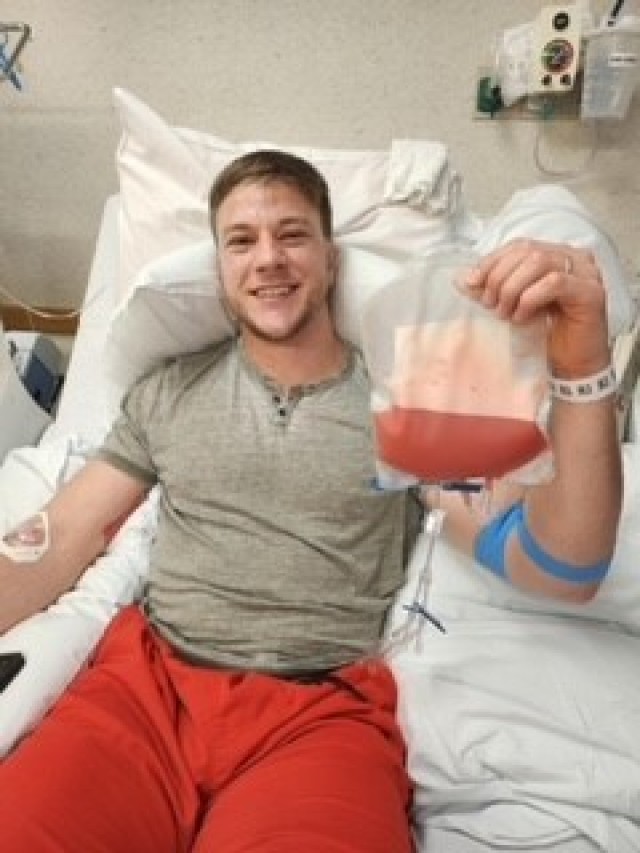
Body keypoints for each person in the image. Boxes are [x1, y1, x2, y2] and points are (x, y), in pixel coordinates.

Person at [0, 150, 622, 852]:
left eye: (292, 234)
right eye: (242, 239)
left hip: (318, 716)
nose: (267, 257)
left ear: (330, 260)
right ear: (220, 270)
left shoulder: (408, 397)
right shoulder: (168, 391)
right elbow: (63, 529)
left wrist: (581, 364)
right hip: (145, 692)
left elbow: (562, 566)